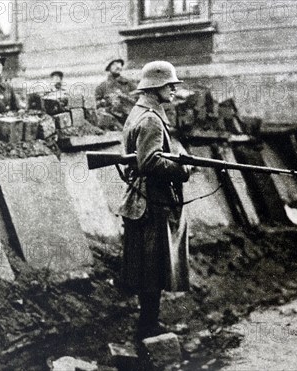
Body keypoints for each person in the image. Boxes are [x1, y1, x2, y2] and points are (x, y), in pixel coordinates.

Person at [117, 61, 191, 340]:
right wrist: (182, 170)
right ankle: (148, 325)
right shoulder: (150, 119)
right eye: (170, 85)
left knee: (149, 265)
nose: (174, 89)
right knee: (153, 266)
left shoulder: (139, 112)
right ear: (156, 86)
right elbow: (149, 161)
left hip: (143, 198)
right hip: (152, 200)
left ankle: (148, 323)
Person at [94, 57, 137, 124]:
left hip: (129, 117)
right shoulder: (101, 87)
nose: (118, 66)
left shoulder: (129, 84)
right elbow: (98, 106)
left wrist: (123, 97)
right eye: (114, 64)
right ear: (108, 68)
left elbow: (138, 100)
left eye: (120, 64)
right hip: (111, 118)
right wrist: (108, 101)